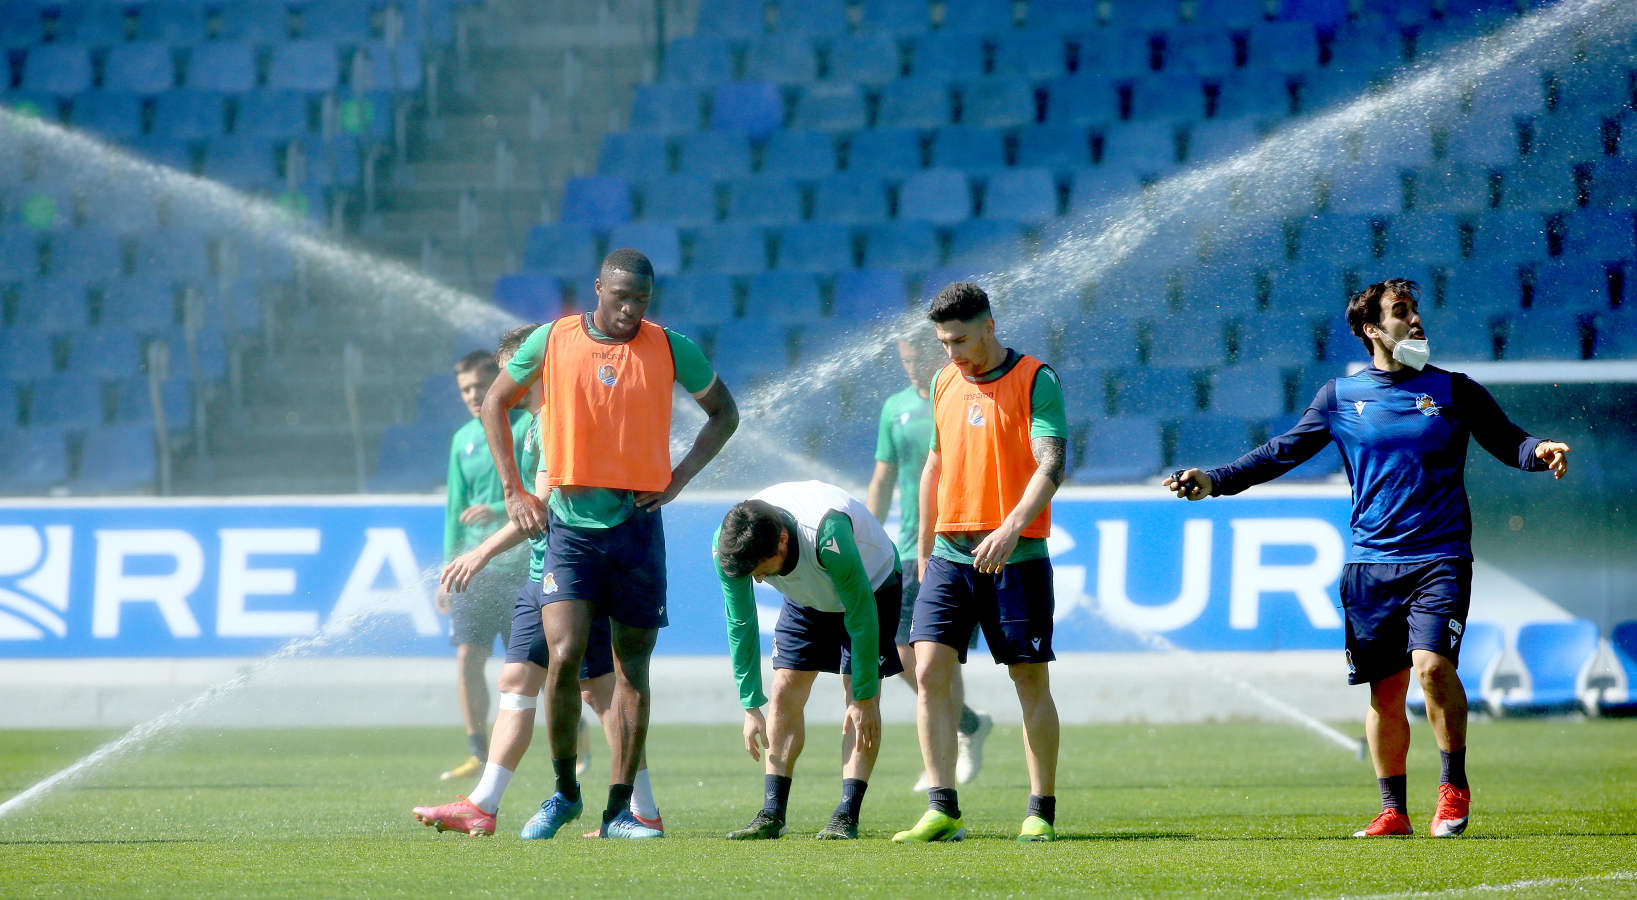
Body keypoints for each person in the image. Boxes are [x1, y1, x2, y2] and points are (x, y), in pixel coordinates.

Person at [1164, 278, 1571, 839]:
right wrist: (1215, 479)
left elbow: (1510, 442)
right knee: (1386, 689)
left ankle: (1452, 787)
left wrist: (1539, 451)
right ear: (1371, 330)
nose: (1416, 321)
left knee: (1431, 668)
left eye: (1416, 311)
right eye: (1401, 313)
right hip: (1370, 565)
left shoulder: (1456, 390)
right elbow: (1280, 453)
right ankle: (1392, 811)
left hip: (1440, 556)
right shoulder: (1339, 397)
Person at [412, 248, 738, 839]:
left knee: (629, 672)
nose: (630, 309)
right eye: (621, 298)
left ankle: (622, 812)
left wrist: (680, 476)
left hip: (638, 528)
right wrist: (514, 490)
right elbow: (494, 401)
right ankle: (565, 792)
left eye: (641, 299)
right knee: (561, 661)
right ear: (598, 289)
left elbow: (724, 413)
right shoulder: (554, 339)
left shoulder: (669, 347)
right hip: (569, 530)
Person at [437, 326, 667, 834]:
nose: (505, 385)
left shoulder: (554, 423)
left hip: (570, 574)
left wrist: (479, 552)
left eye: (512, 372)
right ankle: (485, 803)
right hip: (542, 576)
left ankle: (637, 807)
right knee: (519, 681)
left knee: (602, 692)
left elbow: (539, 509)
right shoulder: (529, 422)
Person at [894, 282, 1069, 844]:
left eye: (961, 340)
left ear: (989, 327)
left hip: (1016, 556)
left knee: (1028, 680)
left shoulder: (1037, 379)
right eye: (944, 342)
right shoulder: (944, 381)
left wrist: (1011, 526)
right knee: (926, 672)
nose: (951, 353)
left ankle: (1040, 810)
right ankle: (943, 809)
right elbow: (934, 466)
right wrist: (924, 549)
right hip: (948, 553)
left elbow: (1051, 465)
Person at [715, 481, 903, 841]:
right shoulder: (731, 545)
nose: (757, 578)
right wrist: (750, 702)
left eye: (762, 569)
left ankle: (847, 814)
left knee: (858, 696)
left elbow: (862, 612)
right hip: (807, 599)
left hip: (870, 591)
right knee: (784, 687)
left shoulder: (828, 533)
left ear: (783, 541)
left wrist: (864, 694)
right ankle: (772, 813)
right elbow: (740, 621)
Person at [866, 334, 993, 791]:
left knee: (940, 661)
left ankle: (951, 744)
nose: (911, 366)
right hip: (907, 548)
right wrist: (866, 532)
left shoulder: (961, 392)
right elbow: (883, 475)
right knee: (902, 655)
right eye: (904, 359)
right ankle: (966, 725)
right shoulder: (894, 408)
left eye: (918, 356)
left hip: (956, 544)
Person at [433, 349, 534, 782]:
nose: (473, 395)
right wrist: (446, 569)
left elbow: (537, 488)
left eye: (479, 386)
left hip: (522, 563)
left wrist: (496, 508)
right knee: (467, 660)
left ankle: (575, 738)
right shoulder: (462, 439)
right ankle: (478, 750)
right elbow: (454, 507)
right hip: (474, 570)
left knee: (533, 667)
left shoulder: (529, 423)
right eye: (465, 389)